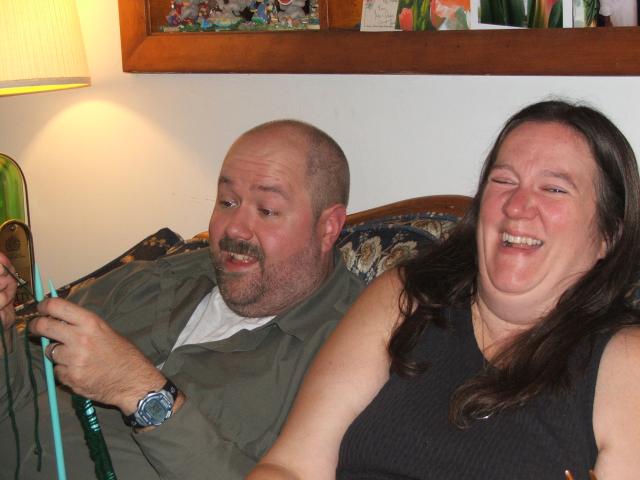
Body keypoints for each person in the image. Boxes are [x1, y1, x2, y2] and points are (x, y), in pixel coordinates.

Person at [248, 100, 640, 480]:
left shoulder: (625, 361)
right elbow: (292, 466)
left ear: (608, 234)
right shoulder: (405, 298)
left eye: (554, 189)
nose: (517, 206)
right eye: (503, 181)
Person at [0, 120, 365, 479]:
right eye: (227, 202)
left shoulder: (354, 350)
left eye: (266, 210)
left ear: (328, 227)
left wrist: (143, 394)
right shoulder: (157, 277)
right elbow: (17, 393)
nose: (233, 228)